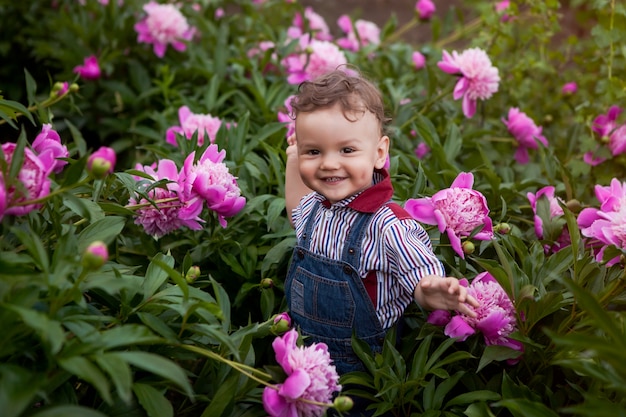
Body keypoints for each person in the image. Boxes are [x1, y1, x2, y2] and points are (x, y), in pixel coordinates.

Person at [284, 68, 479, 378]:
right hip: (303, 350)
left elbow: (417, 270)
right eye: (314, 151)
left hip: (361, 367)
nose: (329, 163)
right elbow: (296, 207)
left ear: (379, 153)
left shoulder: (386, 225)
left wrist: (432, 289)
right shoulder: (316, 207)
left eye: (347, 150)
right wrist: (295, 159)